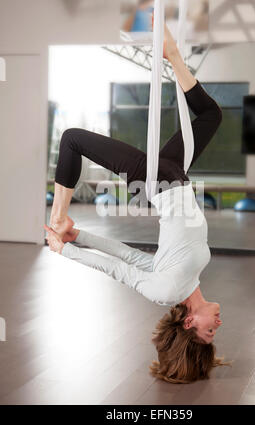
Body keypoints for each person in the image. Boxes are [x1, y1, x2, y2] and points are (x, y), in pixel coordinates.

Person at [45, 23, 227, 383]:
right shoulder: (186, 282)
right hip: (174, 178)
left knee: (71, 139)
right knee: (211, 116)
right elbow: (132, 257)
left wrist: (65, 247)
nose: (217, 326)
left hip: (158, 180)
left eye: (209, 332)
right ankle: (172, 54)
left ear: (190, 323)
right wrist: (80, 234)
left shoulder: (168, 291)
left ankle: (56, 218)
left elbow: (120, 268)